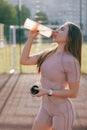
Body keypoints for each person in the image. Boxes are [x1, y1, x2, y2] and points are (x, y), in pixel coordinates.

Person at [20, 21, 82, 130]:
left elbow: (73, 93)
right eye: (58, 28)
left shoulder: (71, 61)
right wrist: (31, 38)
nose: (56, 30)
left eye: (62, 29)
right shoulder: (47, 54)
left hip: (62, 111)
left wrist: (48, 92)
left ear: (70, 38)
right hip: (46, 108)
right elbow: (24, 60)